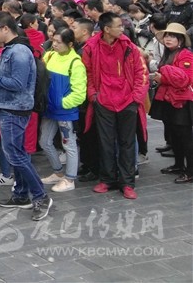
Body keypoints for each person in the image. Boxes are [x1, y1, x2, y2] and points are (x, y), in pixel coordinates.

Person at [0, 13, 52, 221]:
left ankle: (40, 196)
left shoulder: (19, 51)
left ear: (5, 28)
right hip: (9, 106)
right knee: (18, 153)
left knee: (15, 155)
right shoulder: (11, 49)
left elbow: (18, 84)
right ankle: (21, 195)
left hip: (14, 108)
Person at [82, 13, 148, 200]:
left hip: (128, 101)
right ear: (106, 29)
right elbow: (88, 73)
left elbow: (141, 72)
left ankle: (127, 183)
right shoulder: (91, 47)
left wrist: (136, 98)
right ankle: (107, 179)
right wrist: (94, 95)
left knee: (127, 143)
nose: (122, 29)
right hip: (104, 102)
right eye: (118, 26)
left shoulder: (129, 46)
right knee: (106, 143)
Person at [38, 28, 87, 193]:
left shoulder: (76, 63)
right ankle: (58, 172)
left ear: (70, 44)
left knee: (69, 145)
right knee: (44, 141)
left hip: (65, 111)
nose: (54, 44)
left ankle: (70, 179)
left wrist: (61, 103)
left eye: (59, 42)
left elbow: (79, 93)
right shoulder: (49, 56)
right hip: (49, 109)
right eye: (54, 41)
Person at [150, 23, 193, 183]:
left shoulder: (186, 55)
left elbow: (185, 80)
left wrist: (163, 78)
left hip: (181, 101)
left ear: (180, 39)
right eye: (167, 36)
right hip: (168, 99)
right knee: (174, 135)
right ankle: (179, 165)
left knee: (185, 137)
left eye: (173, 36)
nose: (168, 39)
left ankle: (190, 171)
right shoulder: (168, 53)